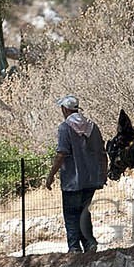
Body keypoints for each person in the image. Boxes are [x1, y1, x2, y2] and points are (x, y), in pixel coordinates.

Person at [44, 95, 108, 253]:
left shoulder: (65, 128)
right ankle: (89, 244)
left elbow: (61, 154)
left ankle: (74, 248)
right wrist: (103, 174)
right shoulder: (93, 127)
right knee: (84, 212)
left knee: (72, 214)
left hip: (72, 182)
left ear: (65, 109)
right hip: (91, 179)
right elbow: (102, 153)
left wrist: (51, 175)